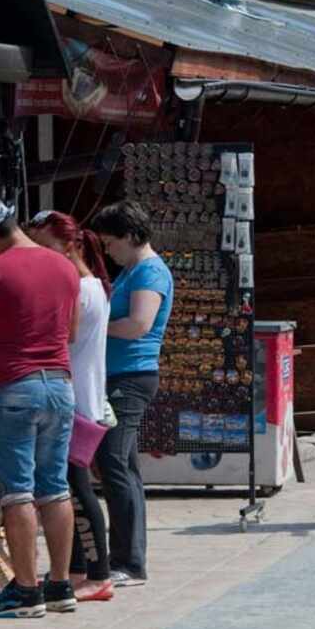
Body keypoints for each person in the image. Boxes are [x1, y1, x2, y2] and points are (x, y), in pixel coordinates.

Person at [0, 195, 82, 618]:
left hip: (13, 389)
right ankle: (60, 585)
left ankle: (26, 592)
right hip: (59, 387)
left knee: (18, 493)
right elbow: (71, 331)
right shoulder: (63, 265)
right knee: (56, 487)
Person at [27, 210, 116, 604]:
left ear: (69, 245)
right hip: (80, 398)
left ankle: (99, 574)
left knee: (77, 492)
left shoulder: (79, 289)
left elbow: (59, 340)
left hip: (76, 402)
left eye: (45, 247)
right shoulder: (91, 285)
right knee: (67, 488)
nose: (39, 256)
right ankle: (78, 568)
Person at [90, 201, 173, 589]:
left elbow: (138, 324)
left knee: (113, 464)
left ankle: (127, 562)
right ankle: (128, 556)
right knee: (124, 467)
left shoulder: (151, 272)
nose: (108, 251)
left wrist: (93, 326)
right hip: (118, 375)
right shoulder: (130, 271)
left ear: (129, 236)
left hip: (132, 377)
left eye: (110, 243)